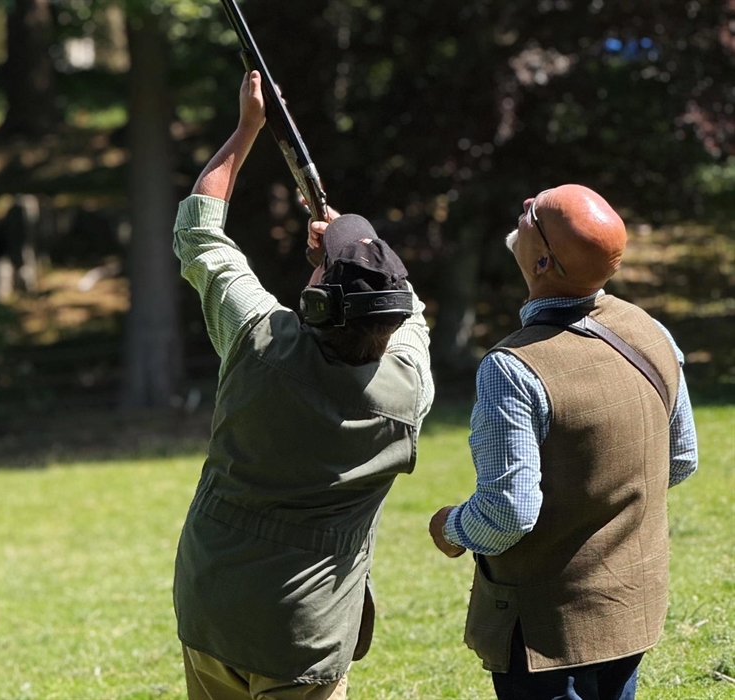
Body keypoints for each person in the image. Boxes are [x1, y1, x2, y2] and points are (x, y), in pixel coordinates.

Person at [172, 70, 434, 699]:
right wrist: (349, 256)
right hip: (304, 635)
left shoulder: (256, 339)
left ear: (316, 302)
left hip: (211, 606)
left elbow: (199, 233)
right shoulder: (409, 392)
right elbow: (408, 314)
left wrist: (248, 128)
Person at [428, 184, 699, 700]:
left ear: (543, 263)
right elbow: (680, 458)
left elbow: (508, 513)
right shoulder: (651, 332)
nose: (525, 204)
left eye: (536, 213)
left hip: (545, 634)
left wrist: (452, 527)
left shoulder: (511, 369)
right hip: (630, 612)